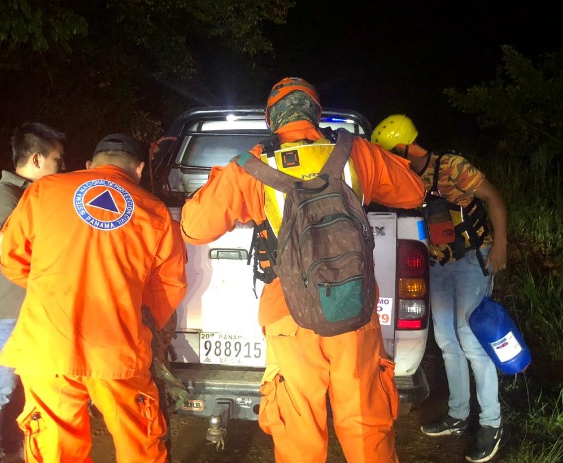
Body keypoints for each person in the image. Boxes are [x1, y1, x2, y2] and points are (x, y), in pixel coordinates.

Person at [180, 77, 426, 463]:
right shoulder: (355, 151)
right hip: (354, 308)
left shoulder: (252, 165)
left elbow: (193, 227)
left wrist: (225, 180)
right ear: (315, 111)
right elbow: (414, 192)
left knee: (298, 427)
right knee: (365, 421)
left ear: (272, 118)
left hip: (288, 312)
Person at [0, 133, 188, 463]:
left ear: (89, 166)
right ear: (139, 169)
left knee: (56, 450)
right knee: (138, 444)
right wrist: (137, 321)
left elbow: (13, 260)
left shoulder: (44, 190)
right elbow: (168, 288)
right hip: (117, 347)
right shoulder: (156, 214)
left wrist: (55, 289)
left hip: (48, 344)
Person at [371, 115, 508, 463]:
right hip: (440, 266)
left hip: (472, 261)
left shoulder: (451, 166)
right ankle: (458, 415)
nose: (390, 160)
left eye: (391, 153)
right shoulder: (411, 180)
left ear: (404, 146)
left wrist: (502, 245)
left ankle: (491, 423)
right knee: (447, 341)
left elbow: (493, 198)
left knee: (470, 339)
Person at [0, 122, 66, 463]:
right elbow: (1, 240)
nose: (61, 166)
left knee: (20, 392)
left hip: (19, 313)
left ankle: (15, 451)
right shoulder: (3, 194)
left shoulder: (33, 196)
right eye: (57, 159)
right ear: (37, 159)